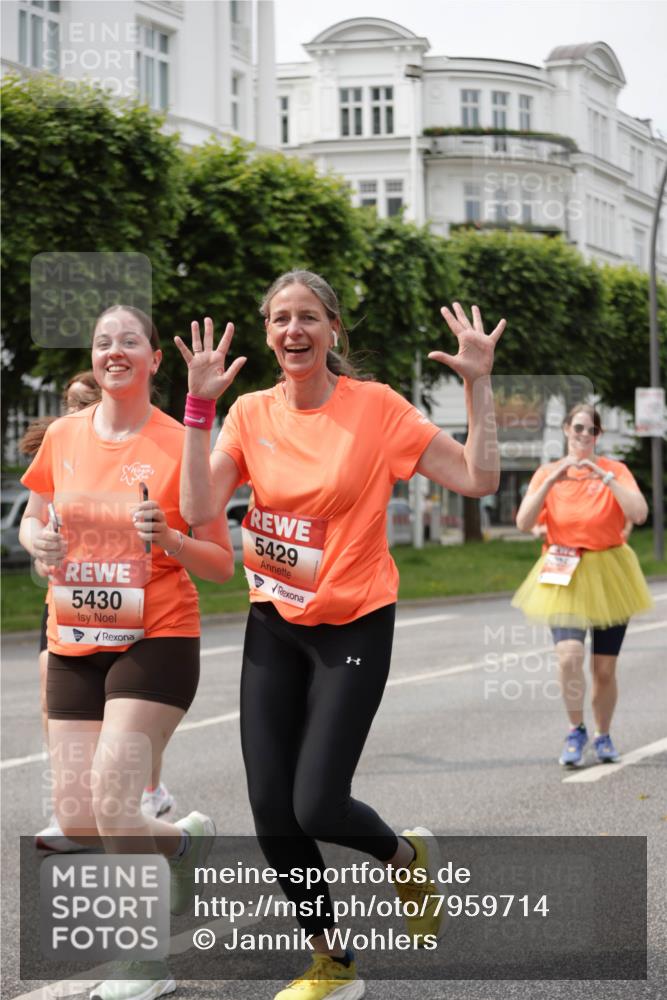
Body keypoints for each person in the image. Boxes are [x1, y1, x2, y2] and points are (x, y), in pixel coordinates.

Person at [175, 270, 505, 1000]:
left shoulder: (377, 409)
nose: (292, 331)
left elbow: (478, 480)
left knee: (317, 804)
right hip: (274, 620)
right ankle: (332, 963)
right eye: (279, 319)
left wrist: (478, 386)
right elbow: (196, 503)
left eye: (307, 319)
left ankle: (403, 854)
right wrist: (200, 405)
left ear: (332, 331)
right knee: (270, 811)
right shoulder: (251, 414)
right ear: (267, 334)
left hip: (354, 622)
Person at [19, 306, 235, 1000]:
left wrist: (169, 537)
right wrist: (37, 542)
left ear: (152, 360)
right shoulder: (64, 434)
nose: (115, 350)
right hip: (74, 637)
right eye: (103, 340)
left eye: (130, 341)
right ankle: (182, 841)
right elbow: (34, 514)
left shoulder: (181, 445)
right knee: (80, 815)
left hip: (157, 635)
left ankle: (143, 963)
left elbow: (220, 565)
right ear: (94, 354)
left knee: (115, 798)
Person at [23, 373, 176, 853]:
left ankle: (148, 792)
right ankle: (78, 807)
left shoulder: (143, 451)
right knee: (52, 687)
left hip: (136, 617)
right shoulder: (60, 446)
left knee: (123, 716)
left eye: (80, 403)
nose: (72, 412)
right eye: (67, 403)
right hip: (69, 610)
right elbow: (34, 523)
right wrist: (39, 544)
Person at [512, 403, 652, 767]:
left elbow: (638, 513)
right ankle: (576, 730)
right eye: (578, 429)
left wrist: (605, 478)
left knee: (604, 669)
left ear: (599, 436)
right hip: (564, 569)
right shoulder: (548, 472)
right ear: (565, 430)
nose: (584, 436)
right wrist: (552, 480)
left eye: (591, 430)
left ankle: (603, 735)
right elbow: (524, 523)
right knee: (569, 656)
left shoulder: (615, 470)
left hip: (610, 572)